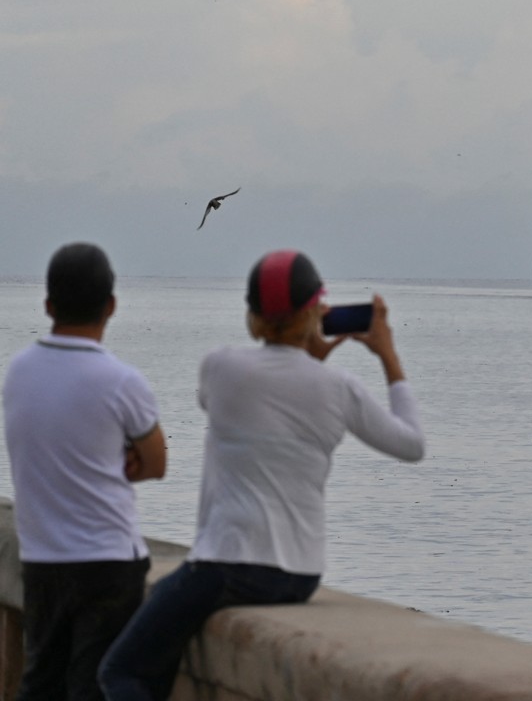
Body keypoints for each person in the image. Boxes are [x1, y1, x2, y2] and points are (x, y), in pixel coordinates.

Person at [99, 249, 425, 700]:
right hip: (299, 574)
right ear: (314, 311)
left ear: (252, 315)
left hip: (227, 567)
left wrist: (305, 355)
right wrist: (387, 353)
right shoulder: (338, 388)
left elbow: (260, 398)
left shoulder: (221, 367)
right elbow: (412, 444)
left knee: (120, 672)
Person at [2, 242, 168, 701]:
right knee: (93, 686)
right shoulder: (122, 381)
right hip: (109, 563)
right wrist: (108, 461)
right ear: (111, 306)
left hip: (42, 561)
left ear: (48, 305)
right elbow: (156, 463)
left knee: (41, 682)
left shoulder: (17, 372)